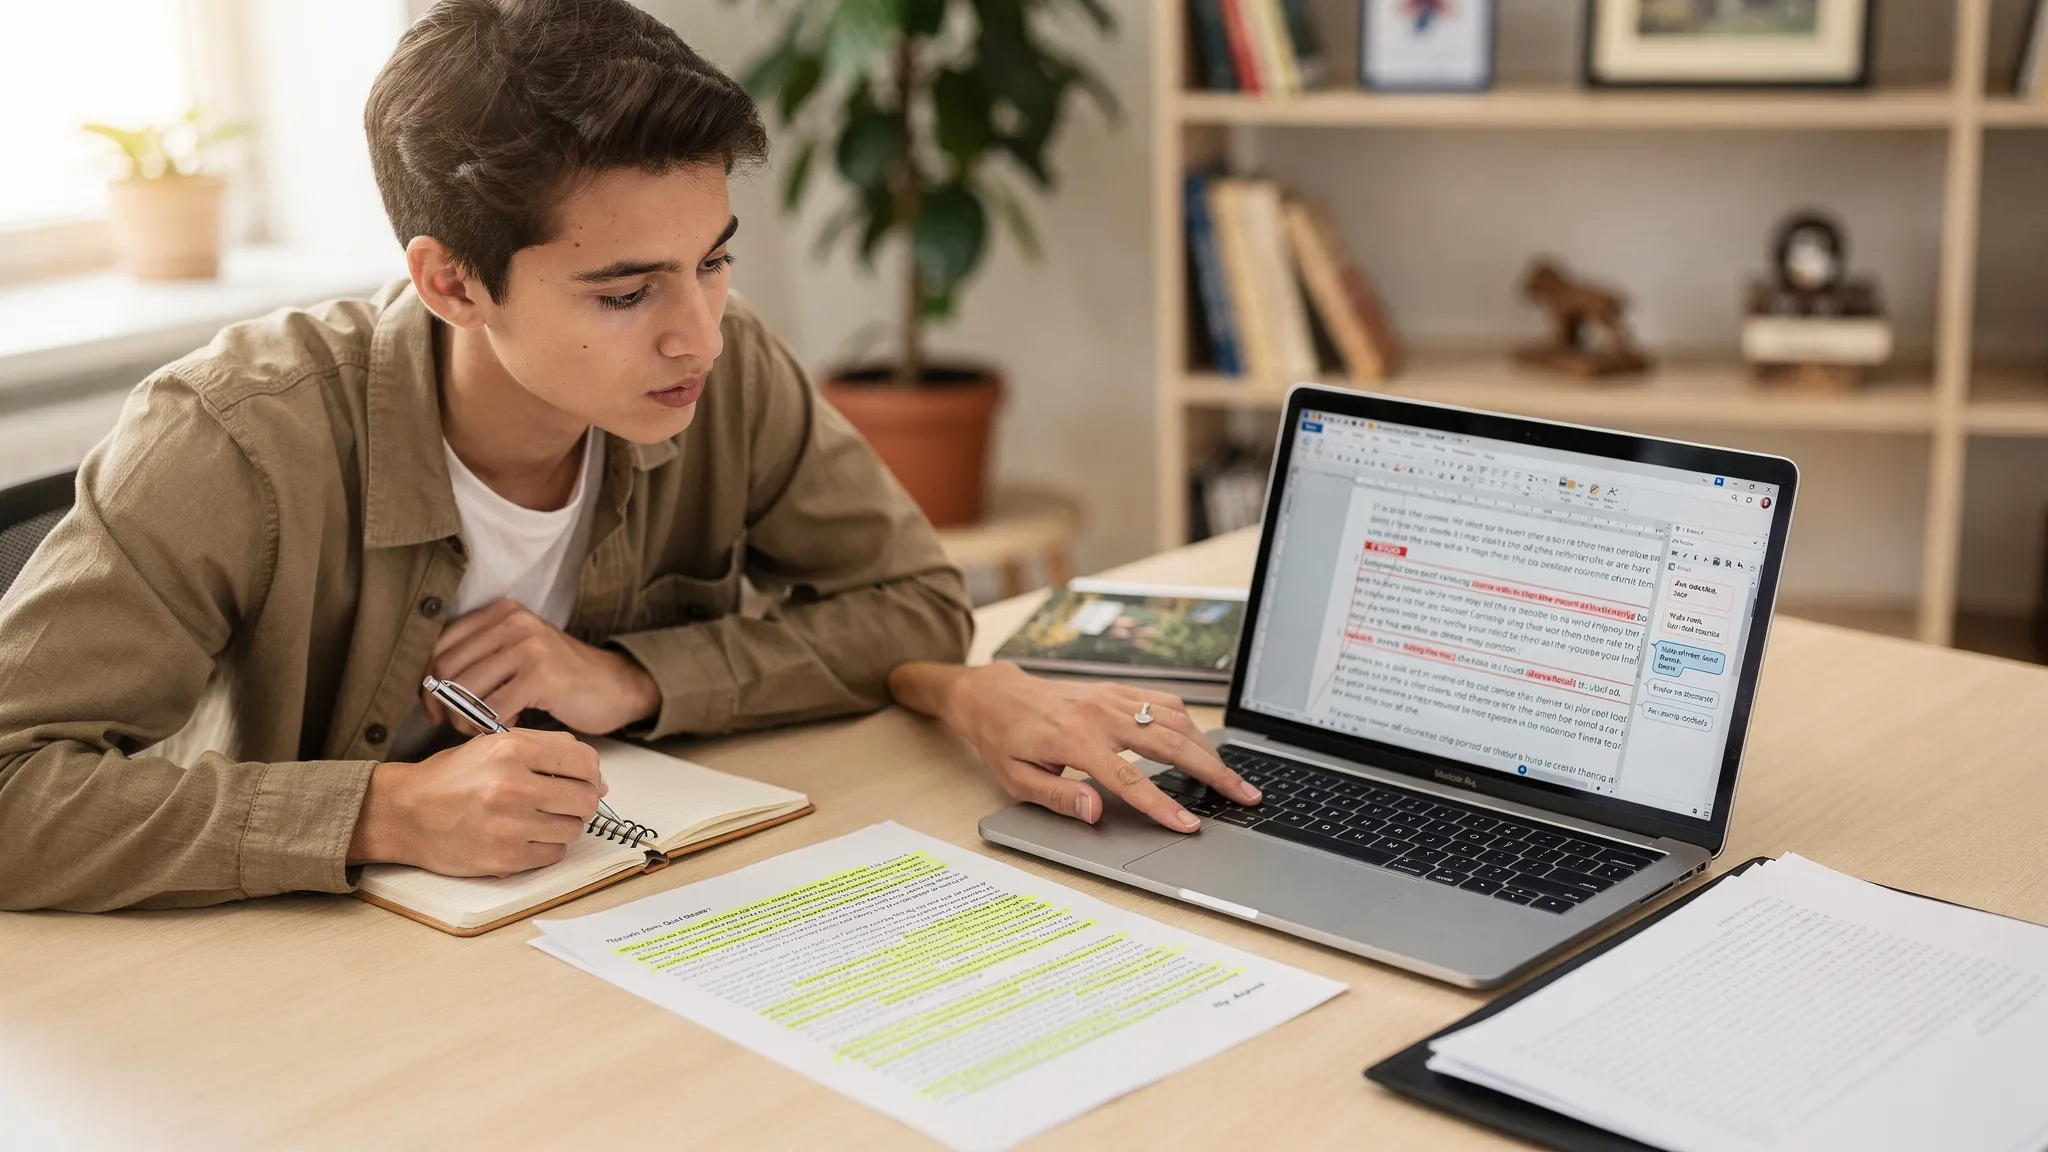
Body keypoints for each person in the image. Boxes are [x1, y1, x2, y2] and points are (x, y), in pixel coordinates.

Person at [0, 0, 1257, 912]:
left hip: (610, 926)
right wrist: (380, 812)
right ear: (450, 282)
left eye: (713, 258)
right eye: (623, 292)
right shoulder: (234, 434)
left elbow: (911, 607)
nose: (696, 333)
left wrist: (634, 678)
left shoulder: (723, 363)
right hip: (294, 1001)